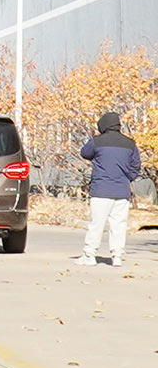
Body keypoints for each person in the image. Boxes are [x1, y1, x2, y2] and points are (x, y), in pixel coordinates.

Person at [75, 113, 141, 267]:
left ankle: (89, 255)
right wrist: (127, 178)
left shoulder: (97, 142)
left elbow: (85, 153)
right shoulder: (130, 144)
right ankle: (117, 256)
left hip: (101, 190)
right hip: (122, 191)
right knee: (119, 224)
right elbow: (136, 165)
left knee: (96, 224)